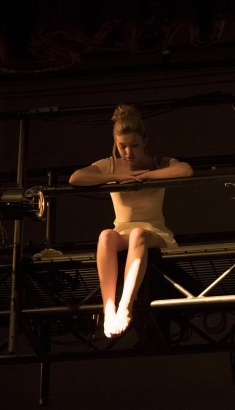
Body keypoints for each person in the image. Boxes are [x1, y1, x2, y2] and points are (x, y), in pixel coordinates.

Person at [69, 104, 193, 338]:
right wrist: (117, 177)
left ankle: (126, 305)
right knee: (106, 235)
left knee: (138, 233)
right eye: (122, 146)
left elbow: (185, 170)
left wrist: (145, 176)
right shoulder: (110, 165)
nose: (128, 152)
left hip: (153, 232)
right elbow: (75, 178)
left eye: (134, 145)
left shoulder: (158, 162)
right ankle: (108, 308)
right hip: (122, 232)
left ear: (145, 141)